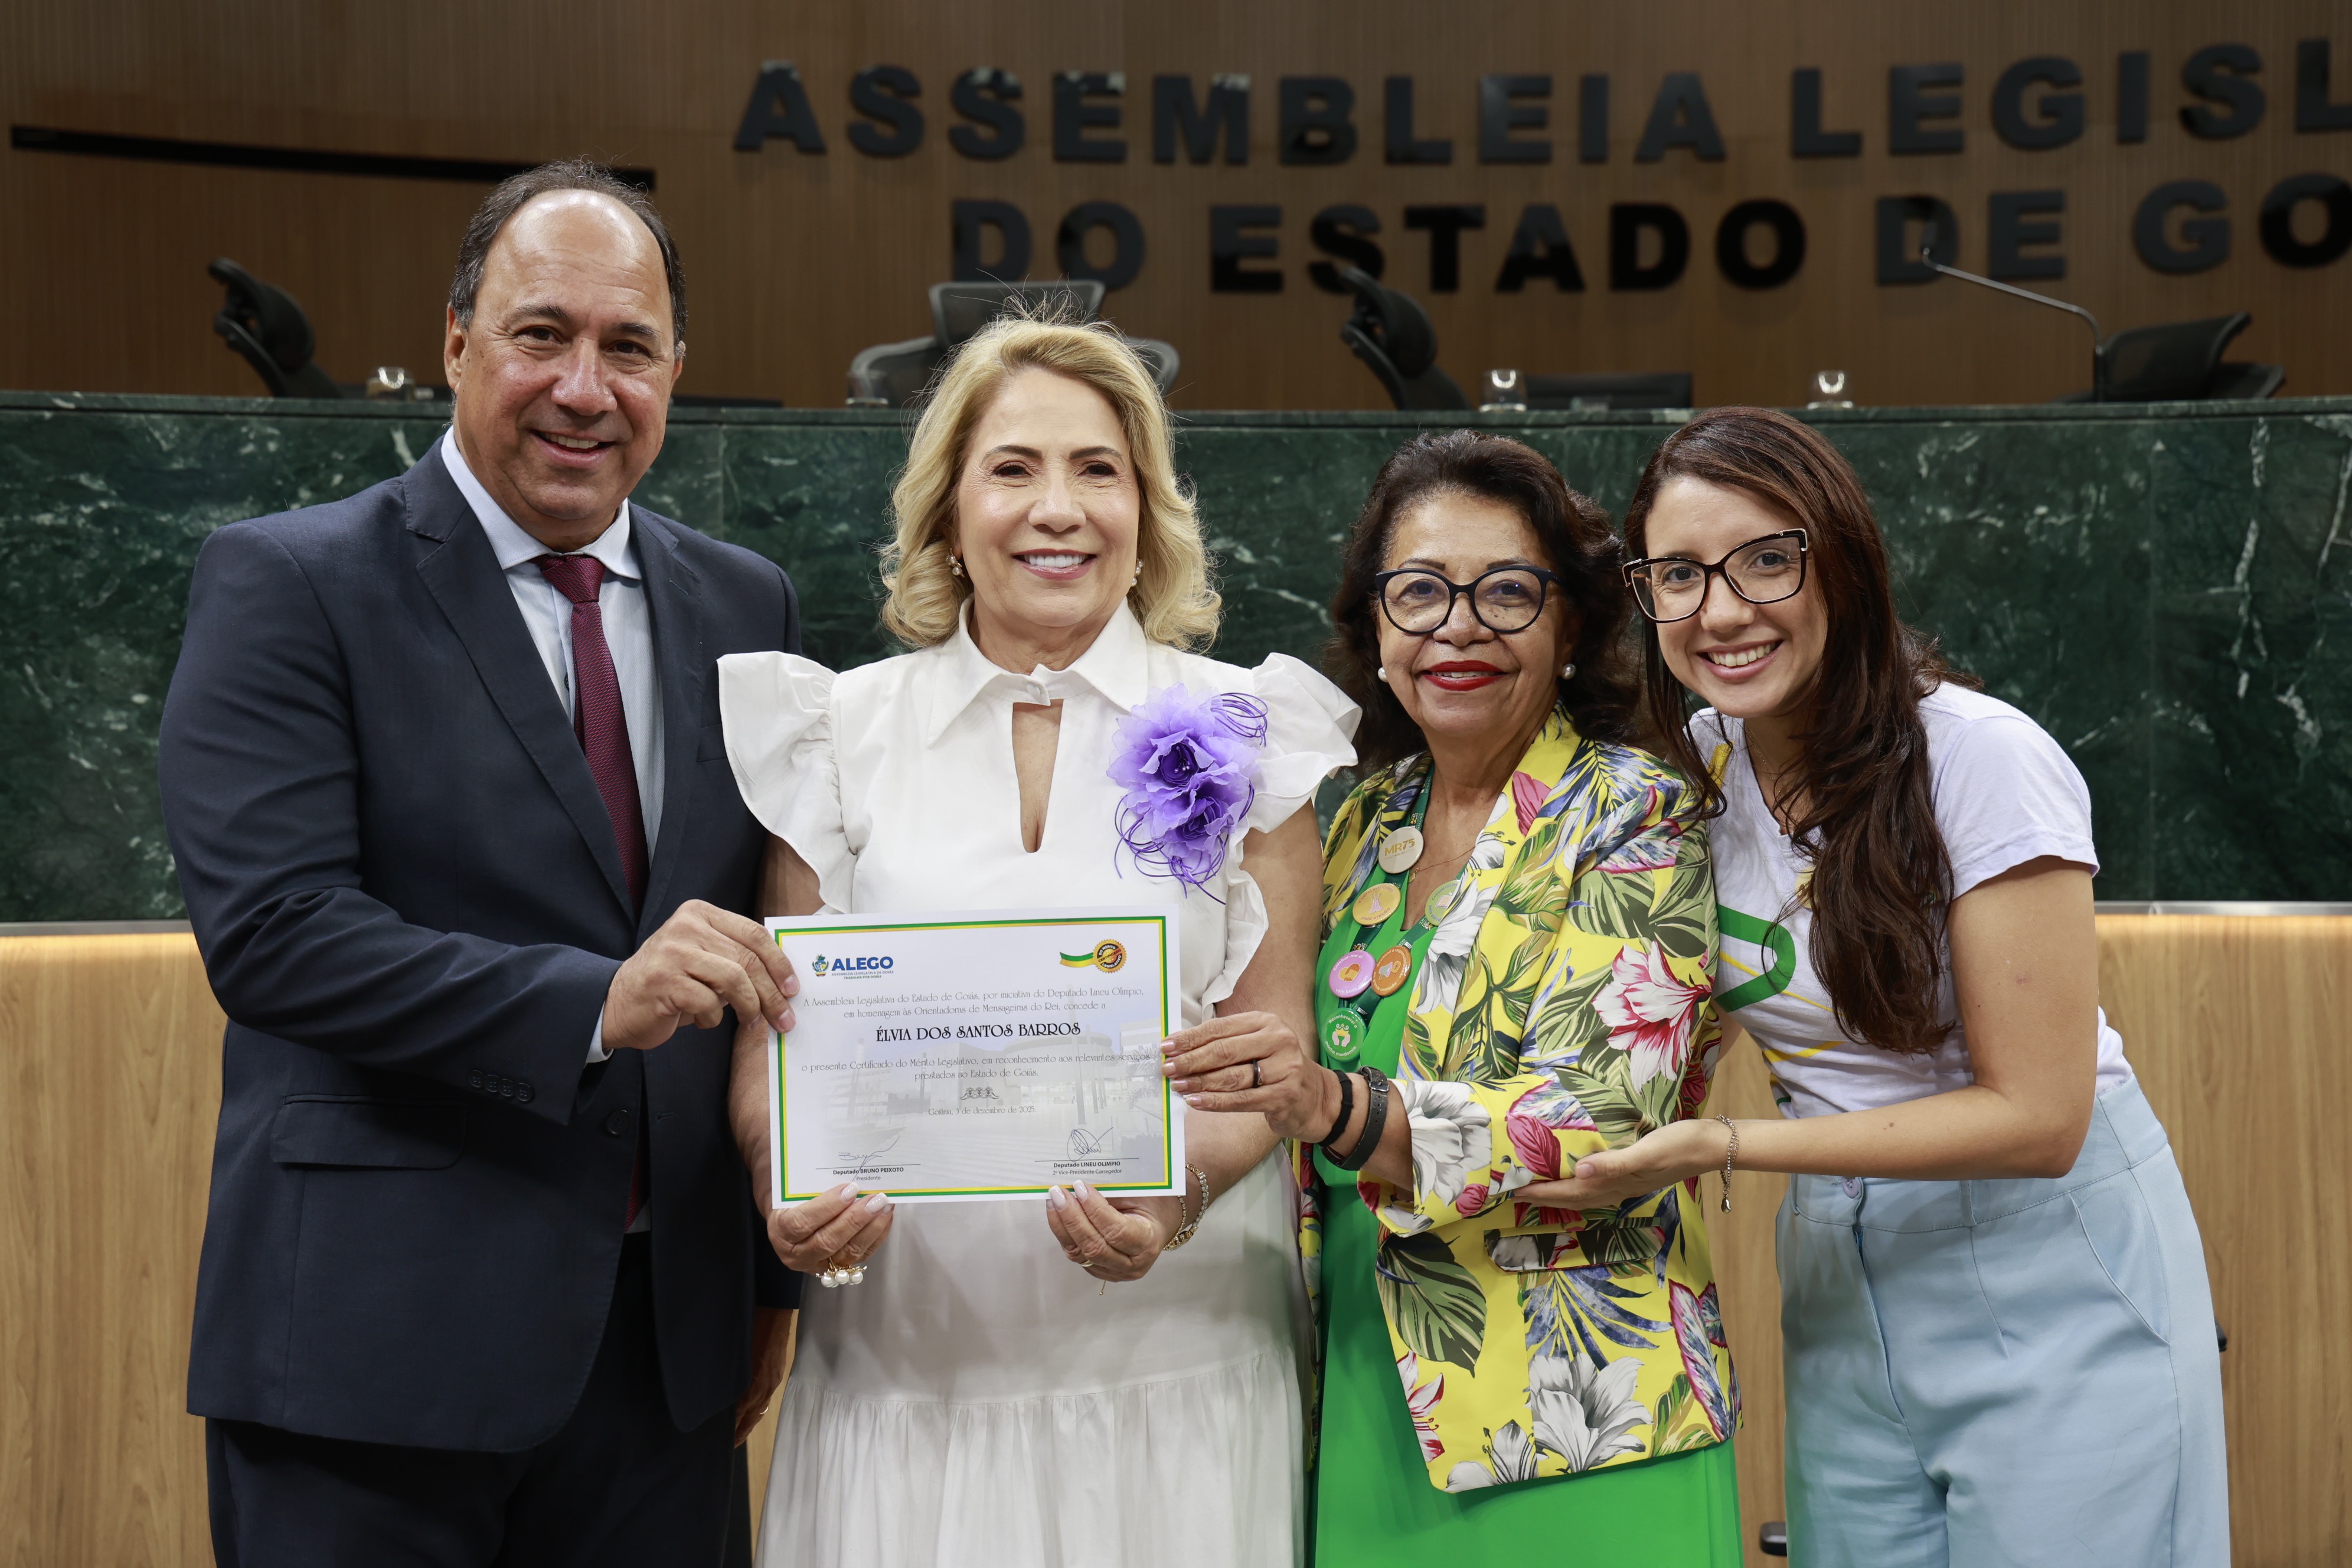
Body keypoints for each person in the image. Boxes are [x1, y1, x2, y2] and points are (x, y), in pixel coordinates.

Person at [159, 161, 818, 1564]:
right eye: (542, 334)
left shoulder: (748, 603)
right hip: (373, 1359)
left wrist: (771, 1279)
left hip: (665, 1368)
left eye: (628, 346)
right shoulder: (289, 581)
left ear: (676, 370)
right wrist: (596, 1000)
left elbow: (773, 951)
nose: (585, 387)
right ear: (457, 340)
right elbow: (276, 933)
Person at [1533, 406, 2226, 1566]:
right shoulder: (1696, 770)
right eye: (1679, 574)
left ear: (1842, 561)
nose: (1722, 611)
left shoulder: (1980, 757)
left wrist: (1724, 1144)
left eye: (1766, 559)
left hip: (2050, 1269)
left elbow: (2040, 1116)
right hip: (1841, 1278)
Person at [717, 314, 1356, 1567]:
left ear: (1146, 509)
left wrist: (1168, 1196)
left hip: (1179, 1360)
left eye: (1098, 469)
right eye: (1013, 468)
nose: (1057, 508)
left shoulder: (1246, 730)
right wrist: (780, 1182)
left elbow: (1271, 1043)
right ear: (948, 509)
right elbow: (773, 1043)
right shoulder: (833, 732)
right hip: (906, 1365)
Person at [1172, 430, 1742, 1560]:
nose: (1459, 626)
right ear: (1376, 629)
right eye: (1421, 591)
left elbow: (1601, 1117)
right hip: (1365, 1395)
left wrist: (1332, 1107)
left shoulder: (1636, 810)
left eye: (1508, 592)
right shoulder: (1357, 821)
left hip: (1586, 1416)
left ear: (1571, 627)